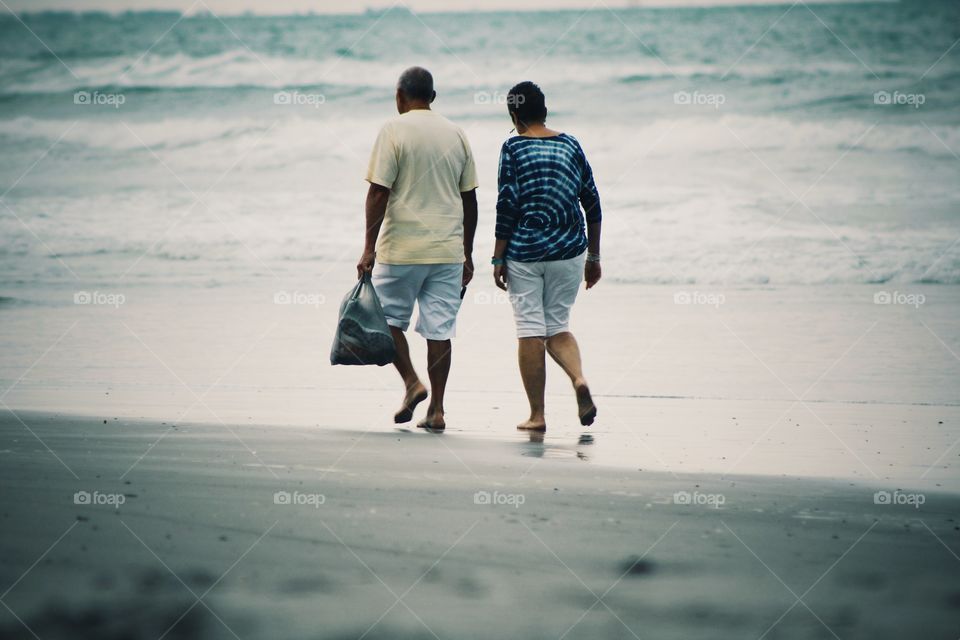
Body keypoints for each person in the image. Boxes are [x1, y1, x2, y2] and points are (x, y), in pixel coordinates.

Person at [357, 66, 478, 431]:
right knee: (439, 330)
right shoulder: (456, 133)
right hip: (446, 251)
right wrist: (467, 253)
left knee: (386, 320)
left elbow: (379, 191)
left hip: (402, 249)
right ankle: (437, 410)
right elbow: (469, 198)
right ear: (433, 98)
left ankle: (412, 382)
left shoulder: (392, 130)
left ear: (399, 95)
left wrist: (368, 247)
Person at [492, 81, 602, 432]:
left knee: (529, 329)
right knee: (558, 326)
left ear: (514, 115)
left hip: (525, 252)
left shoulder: (513, 147)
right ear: (545, 111)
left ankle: (537, 416)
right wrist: (594, 257)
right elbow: (593, 203)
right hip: (570, 249)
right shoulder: (571, 144)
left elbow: (507, 204)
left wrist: (497, 258)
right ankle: (579, 379)